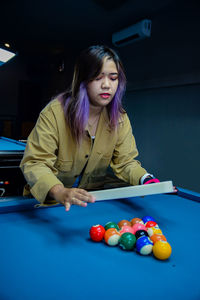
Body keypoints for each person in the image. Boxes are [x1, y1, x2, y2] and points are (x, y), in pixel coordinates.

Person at [20, 45, 160, 212]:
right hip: (50, 204)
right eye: (98, 78)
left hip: (90, 202)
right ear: (83, 80)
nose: (107, 85)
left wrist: (145, 179)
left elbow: (126, 162)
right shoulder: (54, 113)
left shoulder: (120, 118)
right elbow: (35, 163)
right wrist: (60, 192)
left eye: (113, 78)